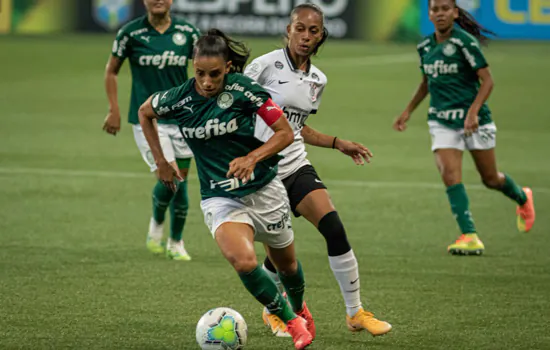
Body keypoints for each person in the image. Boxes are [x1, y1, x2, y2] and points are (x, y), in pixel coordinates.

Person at [138, 28, 315, 350]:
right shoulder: (178, 98)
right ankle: (291, 321)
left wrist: (252, 157)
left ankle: (300, 307)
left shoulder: (244, 90)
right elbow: (144, 111)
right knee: (244, 261)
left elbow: (284, 133)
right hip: (220, 196)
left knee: (287, 265)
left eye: (215, 74)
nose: (207, 82)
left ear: (229, 67)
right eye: (200, 74)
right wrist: (162, 161)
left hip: (264, 188)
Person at [244, 3, 392, 338]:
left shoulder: (318, 79)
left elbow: (296, 128)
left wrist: (338, 142)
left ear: (321, 35)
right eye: (300, 28)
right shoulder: (263, 67)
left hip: (296, 164)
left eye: (313, 30)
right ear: (288, 29)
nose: (306, 36)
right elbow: (236, 109)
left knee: (335, 229)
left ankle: (355, 313)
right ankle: (273, 312)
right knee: (280, 257)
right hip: (263, 174)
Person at [393, 0, 536, 255]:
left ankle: (522, 197)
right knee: (449, 174)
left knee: (491, 179)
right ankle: (469, 234)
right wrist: (407, 110)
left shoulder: (464, 42)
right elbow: (427, 81)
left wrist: (472, 112)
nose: (440, 14)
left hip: (474, 120)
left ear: (455, 13)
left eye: (445, 9)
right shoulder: (425, 45)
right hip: (441, 120)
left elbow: (488, 80)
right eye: (435, 9)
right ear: (429, 13)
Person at [103, 0, 200, 260]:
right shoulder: (130, 33)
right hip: (148, 119)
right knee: (170, 178)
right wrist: (114, 109)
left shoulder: (188, 33)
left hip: (182, 117)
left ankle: (172, 239)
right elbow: (111, 70)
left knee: (180, 180)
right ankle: (166, 233)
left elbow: (205, 70)